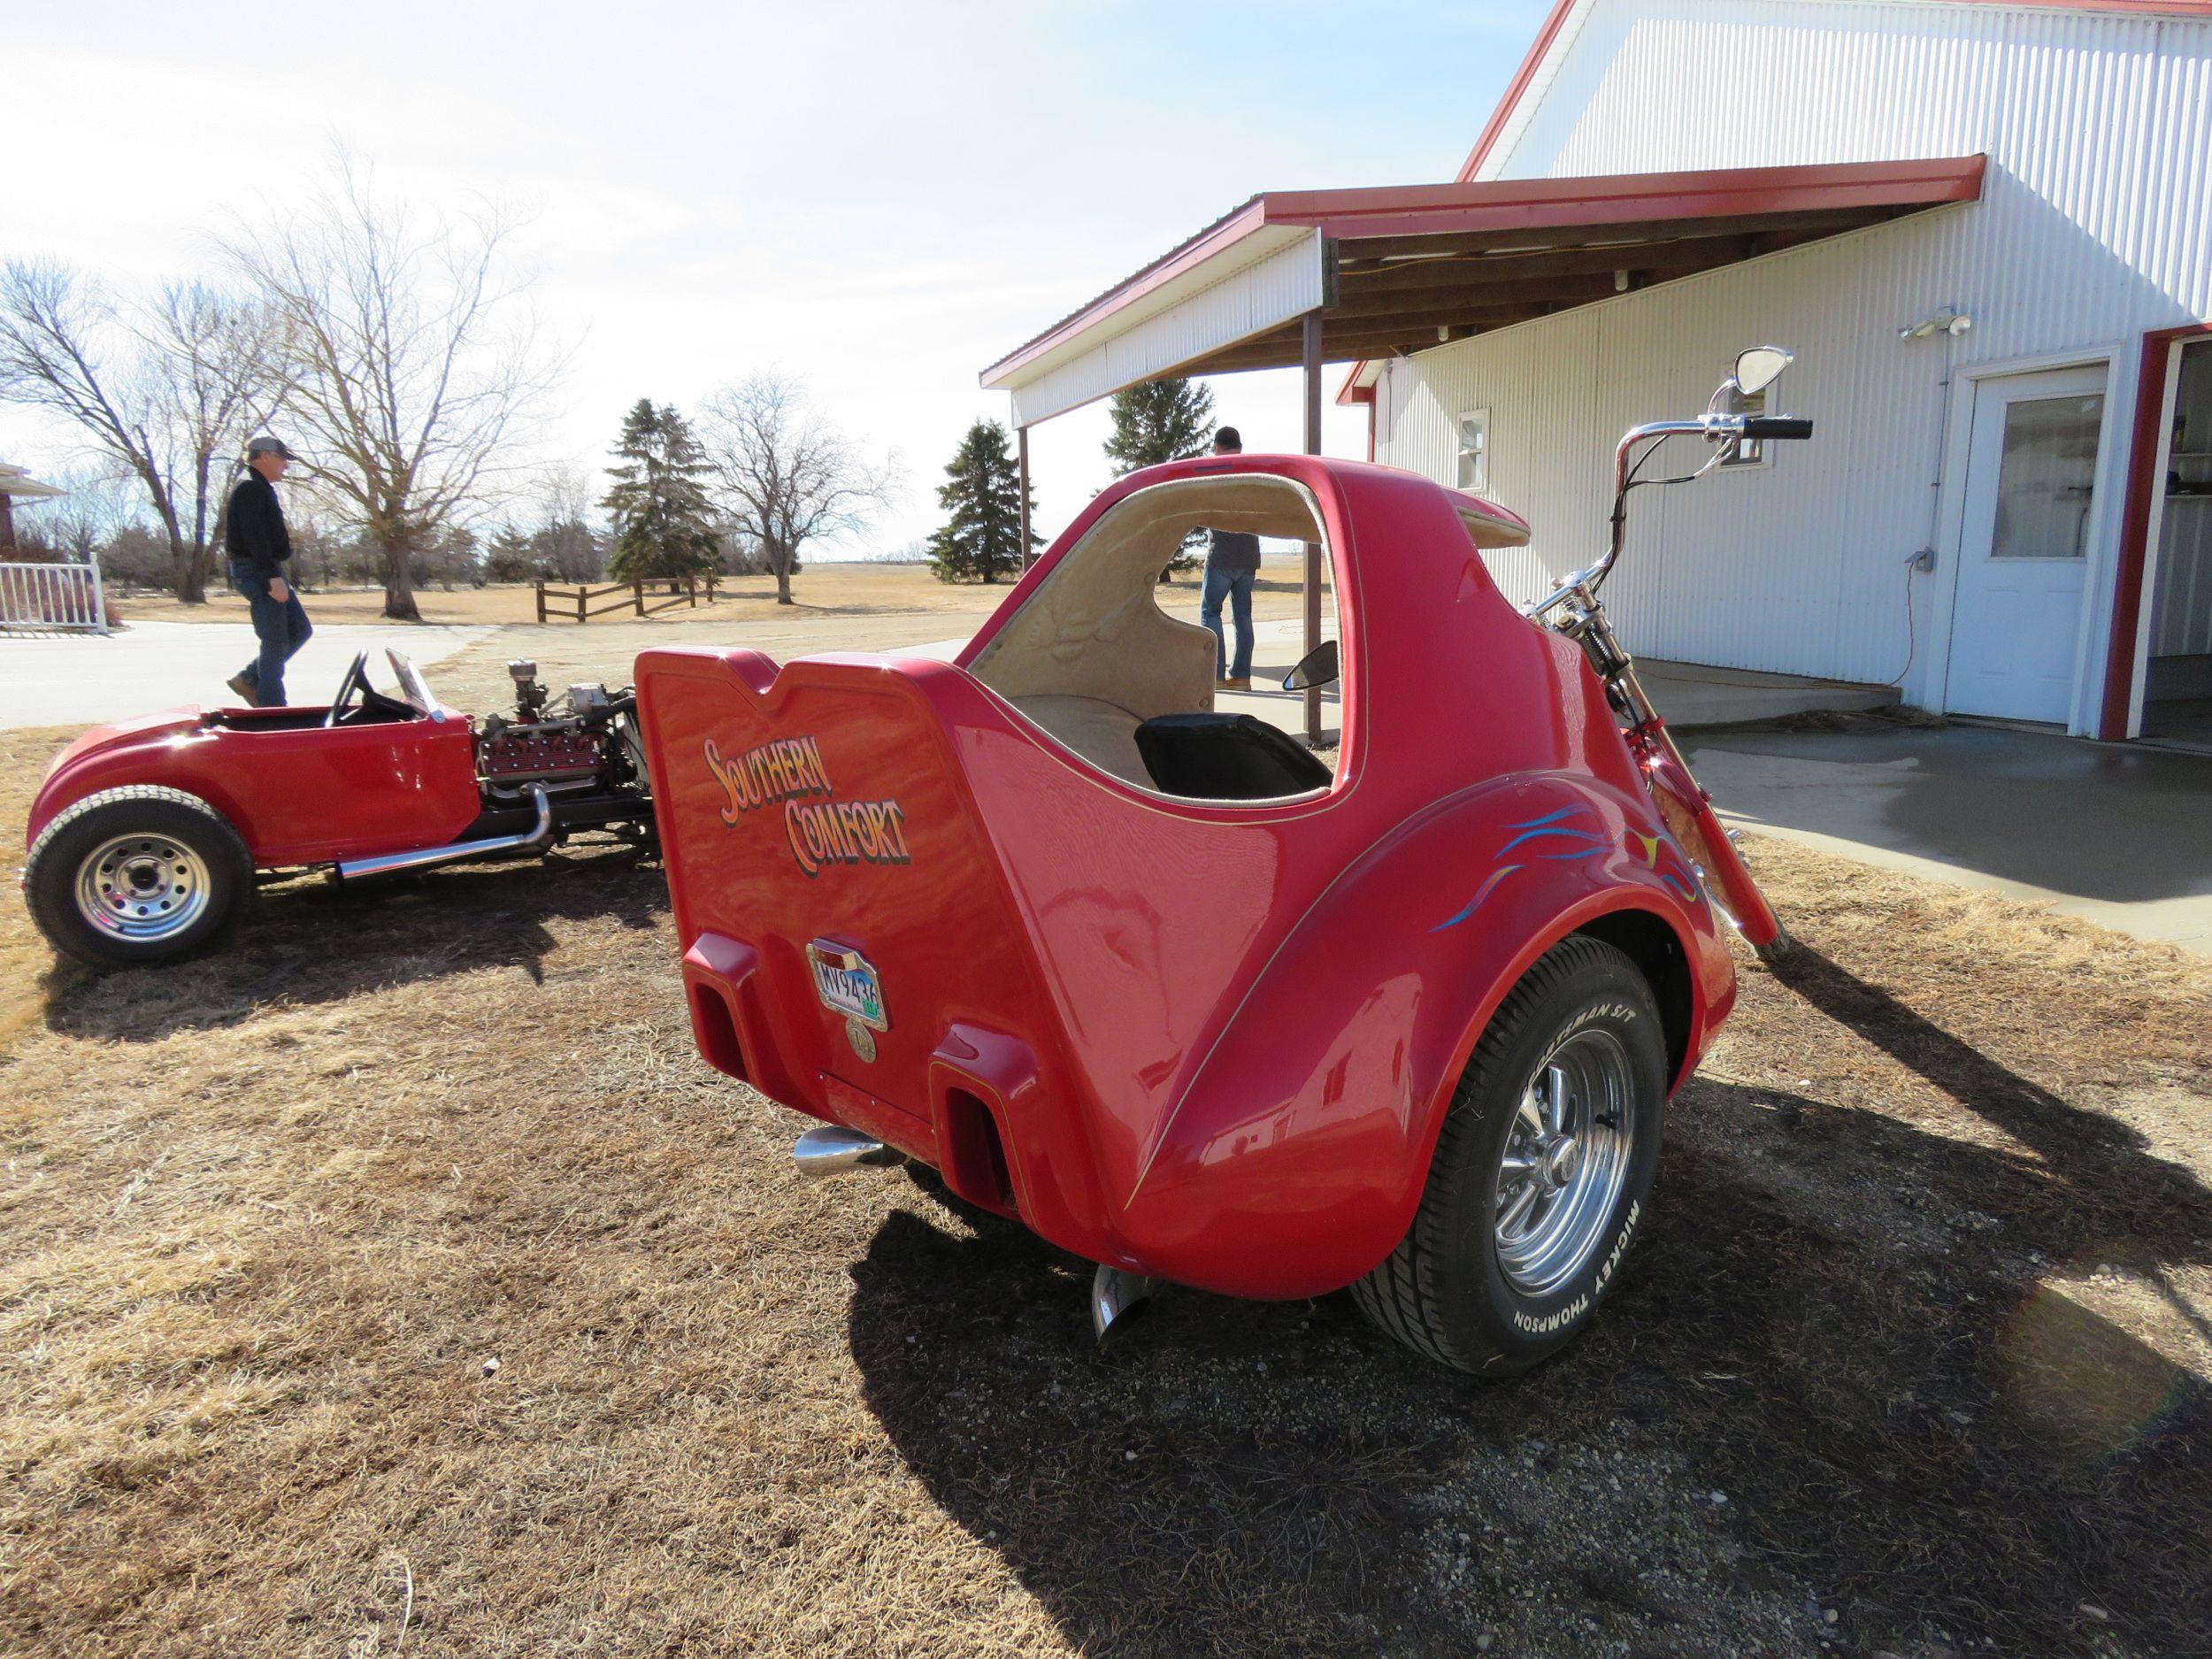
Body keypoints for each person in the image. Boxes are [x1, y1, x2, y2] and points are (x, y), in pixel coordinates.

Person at [224, 435, 312, 707]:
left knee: (299, 629)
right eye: (282, 459)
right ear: (264, 456)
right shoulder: (250, 488)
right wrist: (271, 577)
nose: (286, 465)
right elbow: (254, 537)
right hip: (257, 571)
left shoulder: (259, 487)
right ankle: (272, 708)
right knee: (275, 639)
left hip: (265, 569)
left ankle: (250, 679)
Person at [1201, 426, 1260, 691]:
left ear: (1217, 446)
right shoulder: (1254, 471)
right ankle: (1241, 676)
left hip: (1221, 556)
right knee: (1243, 617)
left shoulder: (1214, 471)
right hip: (1248, 557)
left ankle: (1216, 676)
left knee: (1210, 613)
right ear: (1240, 444)